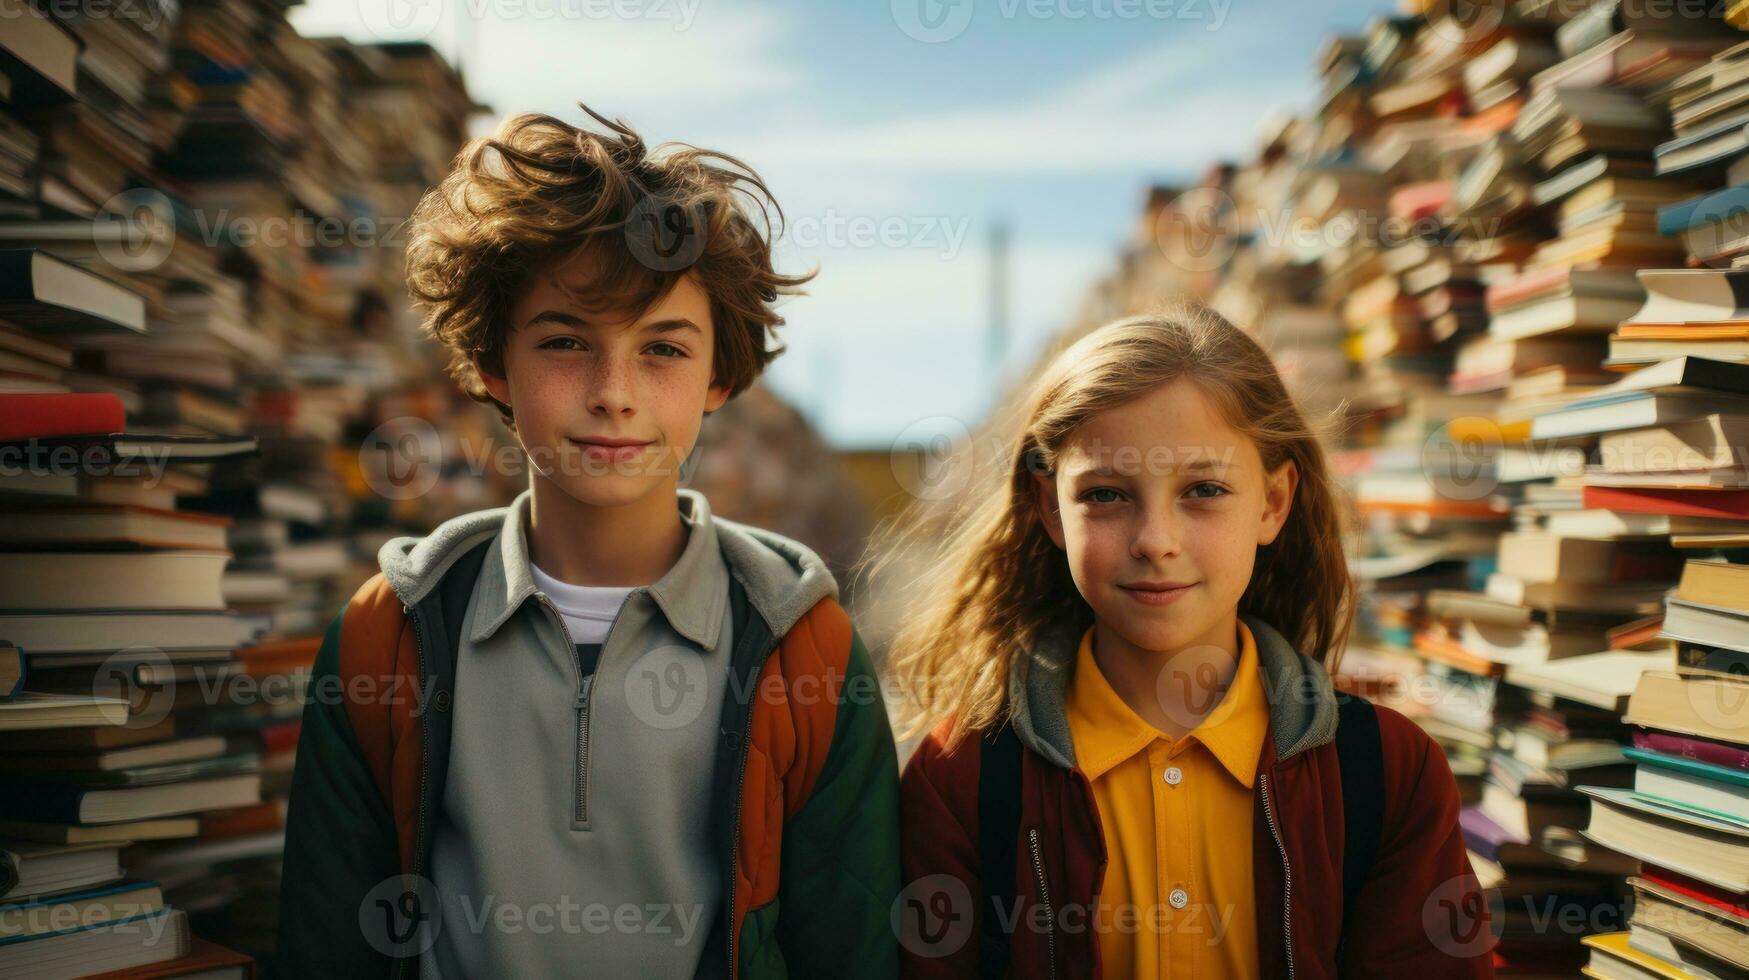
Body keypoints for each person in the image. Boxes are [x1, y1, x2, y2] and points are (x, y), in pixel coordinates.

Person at [274, 106, 900, 980]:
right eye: (566, 342)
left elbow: (852, 955)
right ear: (495, 362)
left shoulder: (806, 648)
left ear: (719, 374)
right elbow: (323, 949)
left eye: (663, 350)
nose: (614, 393)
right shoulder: (393, 633)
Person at [888, 304, 1492, 978]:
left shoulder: (1387, 773)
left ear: (1272, 503)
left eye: (1203, 489)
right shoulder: (962, 776)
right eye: (1107, 495)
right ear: (1048, 509)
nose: (1155, 542)